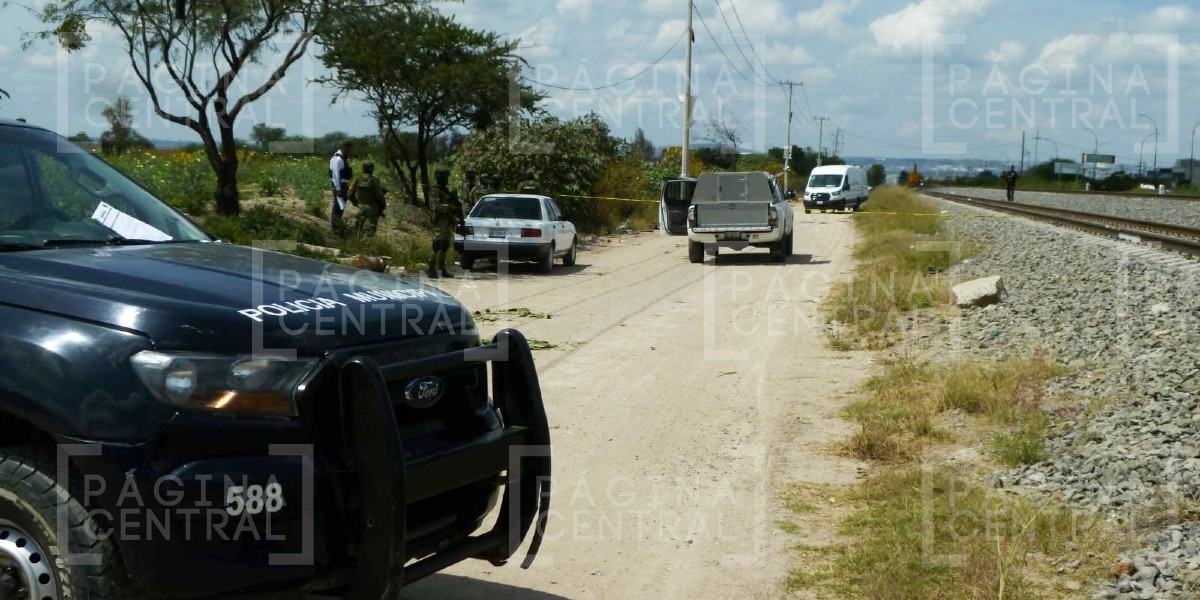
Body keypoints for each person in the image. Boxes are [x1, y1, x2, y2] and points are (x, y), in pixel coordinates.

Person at [426, 168, 463, 279]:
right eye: (445, 177)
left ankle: (442, 270)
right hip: (439, 223)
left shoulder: (446, 191)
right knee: (436, 246)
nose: (447, 179)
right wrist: (449, 207)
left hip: (448, 222)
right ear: (440, 178)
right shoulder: (435, 190)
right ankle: (431, 269)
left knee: (445, 246)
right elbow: (435, 206)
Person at [349, 161, 387, 236]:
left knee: (357, 229)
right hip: (372, 209)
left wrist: (355, 202)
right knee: (370, 230)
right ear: (372, 169)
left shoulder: (357, 179)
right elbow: (379, 195)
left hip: (360, 208)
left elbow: (349, 194)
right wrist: (383, 205)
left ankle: (356, 242)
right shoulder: (375, 180)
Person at [329, 142, 353, 232]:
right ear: (345, 148)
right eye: (349, 149)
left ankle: (338, 225)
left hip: (343, 186)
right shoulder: (337, 159)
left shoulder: (342, 158)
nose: (349, 152)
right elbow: (335, 175)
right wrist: (338, 189)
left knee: (341, 206)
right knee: (338, 207)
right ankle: (335, 227)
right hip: (340, 186)